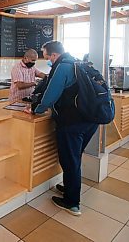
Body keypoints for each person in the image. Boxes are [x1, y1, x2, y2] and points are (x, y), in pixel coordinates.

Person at [26, 41, 98, 216]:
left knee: (70, 160)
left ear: (54, 55)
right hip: (91, 120)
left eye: (46, 56)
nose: (46, 60)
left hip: (72, 123)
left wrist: (36, 109)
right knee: (75, 157)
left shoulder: (62, 67)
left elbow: (50, 96)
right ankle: (69, 187)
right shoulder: (78, 63)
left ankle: (72, 202)